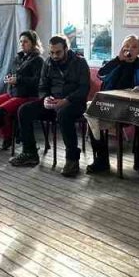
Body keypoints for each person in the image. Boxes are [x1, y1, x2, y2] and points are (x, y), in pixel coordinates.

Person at [11, 35, 90, 177]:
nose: (54, 56)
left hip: (74, 103)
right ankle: (30, 153)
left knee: (64, 114)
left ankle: (72, 159)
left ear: (66, 49)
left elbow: (84, 88)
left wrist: (66, 100)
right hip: (53, 102)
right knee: (24, 110)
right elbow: (42, 86)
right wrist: (46, 98)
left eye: (58, 52)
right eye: (51, 52)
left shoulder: (80, 62)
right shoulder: (48, 62)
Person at [89, 35, 139, 177]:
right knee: (92, 115)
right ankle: (101, 160)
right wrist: (118, 60)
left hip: (134, 106)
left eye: (134, 47)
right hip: (111, 104)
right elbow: (101, 75)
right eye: (126, 46)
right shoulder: (114, 63)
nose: (129, 50)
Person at [0, 31, 45, 150]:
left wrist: (18, 80)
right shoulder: (18, 57)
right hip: (12, 92)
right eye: (21, 41)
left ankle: (8, 137)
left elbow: (38, 81)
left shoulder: (38, 60)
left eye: (25, 41)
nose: (22, 44)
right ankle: (13, 131)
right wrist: (8, 78)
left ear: (33, 43)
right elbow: (12, 73)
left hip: (26, 96)